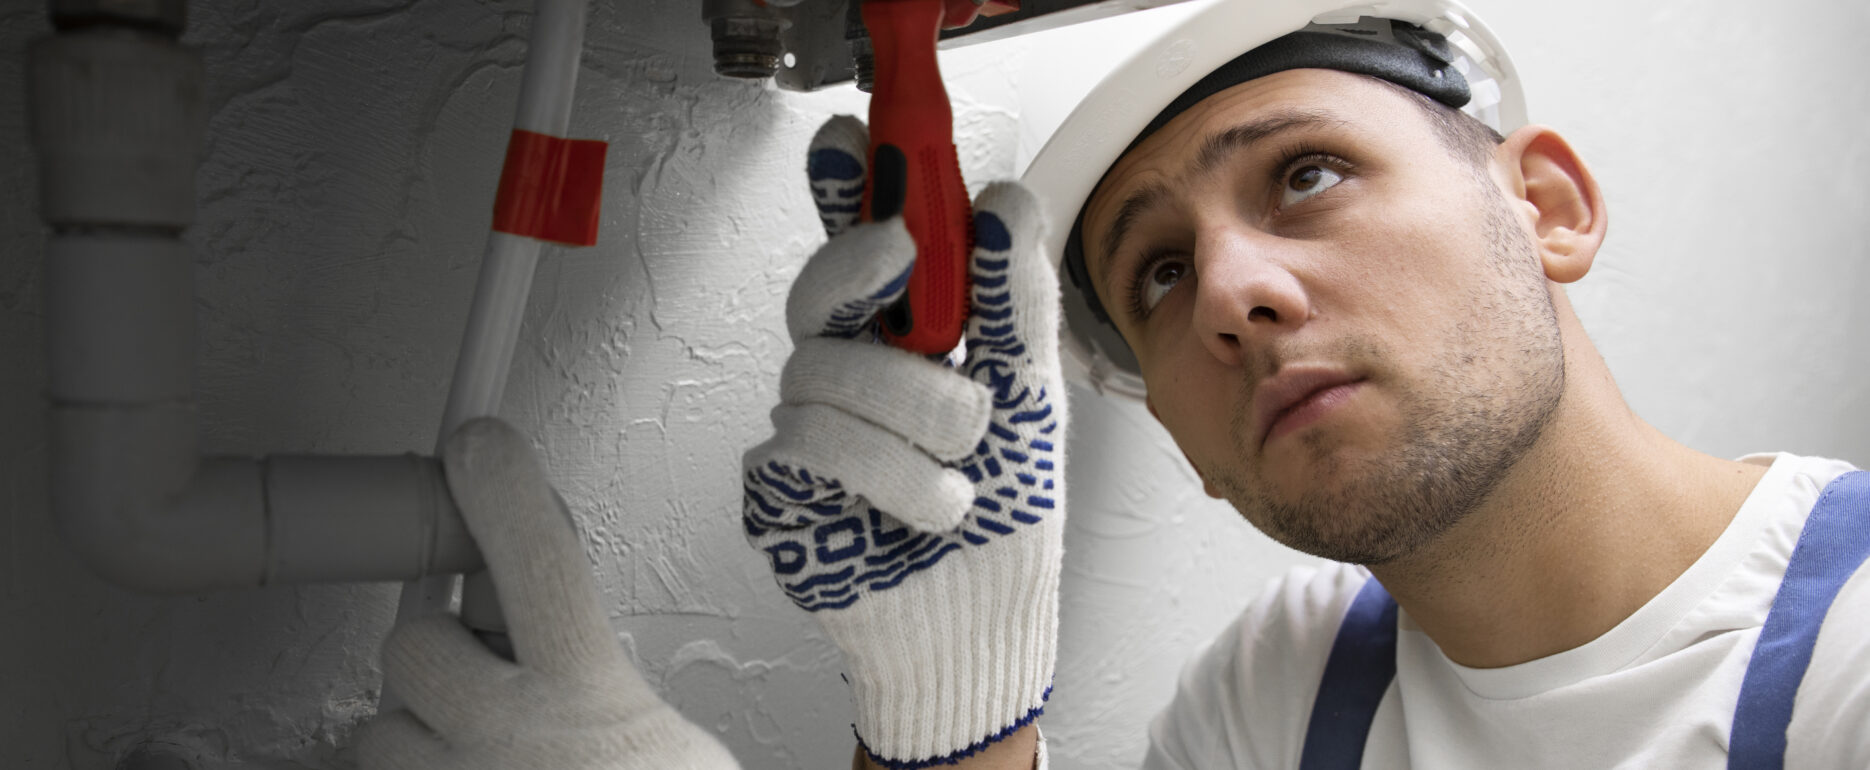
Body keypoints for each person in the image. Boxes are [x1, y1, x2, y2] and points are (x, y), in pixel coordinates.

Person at [357, 0, 1870, 768]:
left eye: (1308, 173)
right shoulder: (1285, 696)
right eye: (1155, 273)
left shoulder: (1845, 663)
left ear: (1546, 207)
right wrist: (954, 704)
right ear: (1192, 450)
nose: (1227, 291)